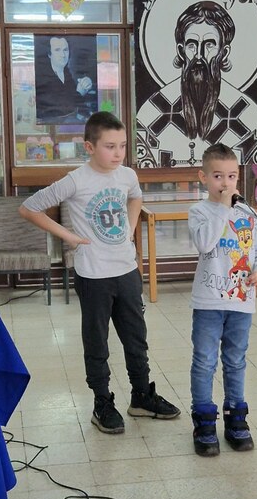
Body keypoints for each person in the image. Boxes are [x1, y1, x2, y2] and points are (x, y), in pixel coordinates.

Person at [19, 111, 180, 433]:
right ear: (90, 147)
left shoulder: (127, 175)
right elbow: (28, 208)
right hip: (93, 275)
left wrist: (130, 230)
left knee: (136, 338)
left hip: (127, 270)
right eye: (110, 146)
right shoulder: (76, 180)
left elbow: (135, 198)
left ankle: (141, 396)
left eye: (122, 145)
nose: (118, 153)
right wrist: (69, 236)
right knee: (97, 343)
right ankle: (102, 402)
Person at [188, 143, 257, 456]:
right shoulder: (199, 212)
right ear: (203, 178)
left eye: (232, 176)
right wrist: (224, 208)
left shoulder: (248, 213)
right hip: (209, 303)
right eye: (218, 176)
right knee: (204, 361)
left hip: (241, 303)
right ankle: (204, 421)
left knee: (236, 360)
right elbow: (204, 243)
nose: (226, 183)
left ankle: (236, 417)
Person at [136, 0, 257, 167]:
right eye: (192, 45)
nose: (199, 55)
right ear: (181, 50)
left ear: (224, 52)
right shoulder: (152, 113)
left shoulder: (249, 117)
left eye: (209, 44)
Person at [35, 36, 94, 124]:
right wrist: (80, 92)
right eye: (57, 50)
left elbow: (76, 102)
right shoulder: (42, 77)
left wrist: (86, 84)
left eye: (65, 50)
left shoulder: (66, 73)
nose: (63, 55)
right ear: (49, 54)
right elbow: (60, 109)